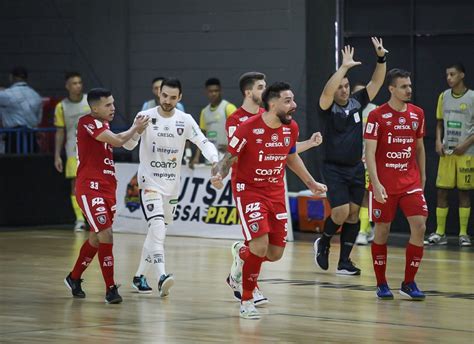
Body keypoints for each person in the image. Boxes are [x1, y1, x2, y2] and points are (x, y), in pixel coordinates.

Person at [211, 82, 327, 319]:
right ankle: (246, 300)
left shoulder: (291, 128)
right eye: (287, 101)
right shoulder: (247, 127)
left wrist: (311, 184)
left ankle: (241, 254)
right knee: (259, 246)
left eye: (293, 100)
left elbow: (291, 157)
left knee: (275, 254)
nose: (293, 105)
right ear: (272, 104)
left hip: (275, 192)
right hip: (249, 191)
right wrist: (219, 175)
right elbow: (229, 158)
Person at [123, 78, 219, 297]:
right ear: (159, 93)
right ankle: (162, 276)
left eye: (172, 97)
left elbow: (202, 142)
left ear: (180, 98)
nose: (167, 100)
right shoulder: (145, 117)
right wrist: (136, 130)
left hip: (172, 187)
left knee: (158, 232)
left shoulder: (184, 120)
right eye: (164, 95)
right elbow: (128, 145)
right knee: (157, 228)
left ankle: (139, 277)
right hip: (149, 184)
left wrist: (215, 160)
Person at [64, 88, 149, 304]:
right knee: (107, 234)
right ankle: (111, 288)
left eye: (113, 103)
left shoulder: (103, 123)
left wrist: (136, 133)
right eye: (108, 105)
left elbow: (121, 141)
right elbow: (119, 141)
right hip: (90, 187)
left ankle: (74, 278)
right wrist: (135, 128)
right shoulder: (87, 122)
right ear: (94, 108)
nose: (113, 108)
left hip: (107, 187)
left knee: (96, 237)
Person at [313, 38, 387, 275]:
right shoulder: (325, 108)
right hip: (333, 168)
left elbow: (377, 81)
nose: (344, 90)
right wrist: (343, 67)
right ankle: (323, 241)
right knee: (341, 212)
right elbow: (327, 91)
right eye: (340, 87)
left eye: (346, 86)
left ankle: (344, 261)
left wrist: (381, 58)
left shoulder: (358, 102)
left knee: (354, 214)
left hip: (355, 167)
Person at [365, 68, 428, 300]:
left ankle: (409, 283)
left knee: (420, 226)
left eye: (409, 86)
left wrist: (423, 177)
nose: (408, 90)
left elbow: (419, 147)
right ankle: (381, 283)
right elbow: (369, 153)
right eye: (403, 86)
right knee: (382, 230)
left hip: (410, 181)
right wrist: (376, 182)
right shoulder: (377, 116)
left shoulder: (417, 114)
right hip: (384, 184)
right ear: (391, 89)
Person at [425, 63, 473, 247]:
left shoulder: (472, 97)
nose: (449, 78)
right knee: (441, 191)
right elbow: (439, 122)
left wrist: (466, 144)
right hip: (447, 152)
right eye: (447, 75)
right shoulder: (443, 96)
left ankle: (463, 234)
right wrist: (438, 141)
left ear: (462, 75)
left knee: (464, 192)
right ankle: (440, 233)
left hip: (466, 153)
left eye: (452, 74)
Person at [54, 72, 91, 231]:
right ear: (67, 86)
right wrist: (57, 155)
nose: (78, 86)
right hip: (72, 152)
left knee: (93, 185)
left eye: (80, 82)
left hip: (92, 151)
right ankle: (79, 220)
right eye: (74, 83)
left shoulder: (90, 101)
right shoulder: (61, 106)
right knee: (75, 185)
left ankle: (95, 218)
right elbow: (60, 132)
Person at [351, 82, 378, 245]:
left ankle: (363, 230)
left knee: (367, 195)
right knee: (358, 195)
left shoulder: (375, 110)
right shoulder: (349, 110)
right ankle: (365, 227)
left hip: (370, 160)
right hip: (353, 161)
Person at [189, 77, 237, 168]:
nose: (213, 94)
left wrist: (230, 148)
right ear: (206, 92)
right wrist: (196, 157)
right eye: (210, 91)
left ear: (220, 91)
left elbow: (240, 133)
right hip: (211, 157)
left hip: (227, 156)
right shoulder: (204, 111)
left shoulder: (228, 108)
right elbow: (201, 136)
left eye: (216, 91)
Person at [0, 66, 43, 153]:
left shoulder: (7, 94)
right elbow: (38, 119)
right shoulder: (36, 96)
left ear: (11, 77)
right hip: (31, 137)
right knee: (31, 164)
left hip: (14, 138)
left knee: (14, 164)